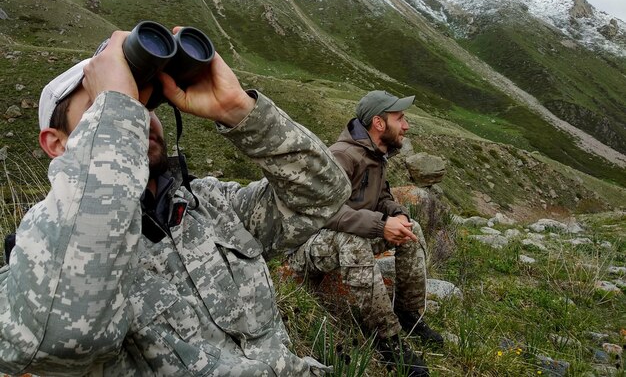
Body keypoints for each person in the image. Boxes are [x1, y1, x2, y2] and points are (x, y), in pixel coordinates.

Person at [0, 28, 351, 376]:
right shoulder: (40, 258)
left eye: (144, 102)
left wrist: (239, 111)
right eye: (106, 104)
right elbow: (62, 338)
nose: (138, 115)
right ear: (56, 143)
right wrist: (117, 117)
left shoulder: (212, 205)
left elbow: (323, 195)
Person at [288, 90, 443, 377]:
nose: (406, 125)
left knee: (413, 229)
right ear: (379, 123)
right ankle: (388, 340)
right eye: (400, 118)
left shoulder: (376, 154)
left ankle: (408, 313)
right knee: (353, 240)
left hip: (348, 236)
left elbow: (382, 197)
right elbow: (324, 212)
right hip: (308, 245)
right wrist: (380, 225)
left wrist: (396, 214)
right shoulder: (342, 156)